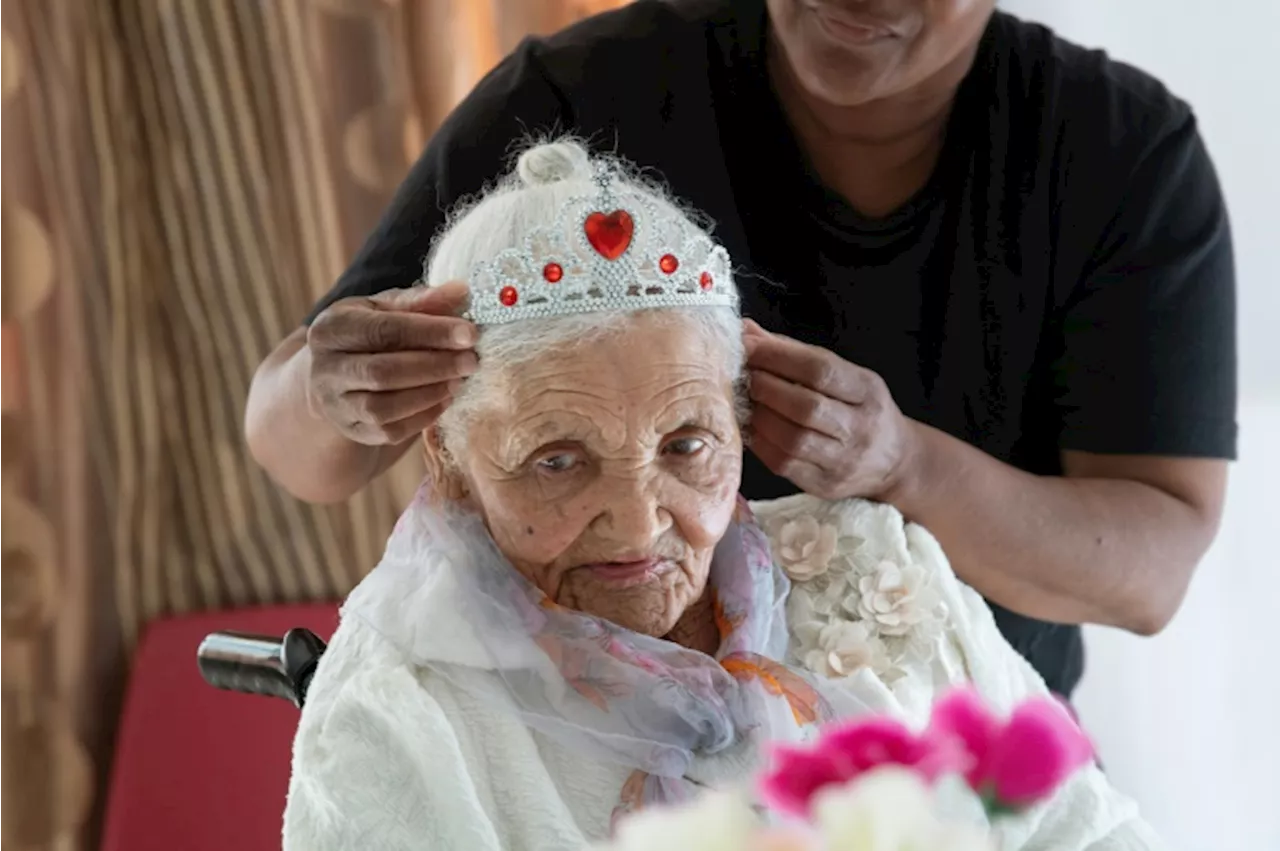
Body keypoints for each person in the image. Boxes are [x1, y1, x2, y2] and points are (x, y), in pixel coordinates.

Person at [245, 0, 1237, 700]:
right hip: (576, 741)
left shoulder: (1119, 156)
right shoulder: (575, 93)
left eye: (683, 442)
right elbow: (298, 440)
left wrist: (903, 465)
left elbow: (1145, 574)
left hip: (946, 765)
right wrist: (335, 392)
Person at [281, 139, 1163, 851]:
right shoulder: (401, 710)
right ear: (450, 458)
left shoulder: (873, 569)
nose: (638, 520)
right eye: (557, 460)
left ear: (741, 420)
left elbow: (1088, 829)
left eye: (686, 444)